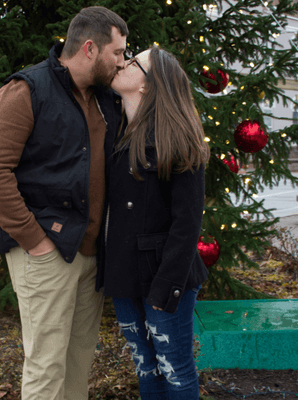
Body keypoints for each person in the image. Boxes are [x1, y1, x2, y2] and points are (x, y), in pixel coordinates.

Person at [0, 7, 128, 400]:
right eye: (117, 53)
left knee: (77, 365)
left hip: (91, 254)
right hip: (45, 252)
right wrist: (35, 241)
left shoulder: (106, 99)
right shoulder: (28, 89)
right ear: (90, 48)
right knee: (46, 368)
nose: (122, 62)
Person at [96, 46, 210, 399]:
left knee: (175, 368)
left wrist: (169, 285)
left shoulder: (176, 139)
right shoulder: (114, 131)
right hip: (124, 274)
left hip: (164, 275)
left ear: (147, 85)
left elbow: (187, 222)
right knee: (146, 366)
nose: (122, 63)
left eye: (132, 62)